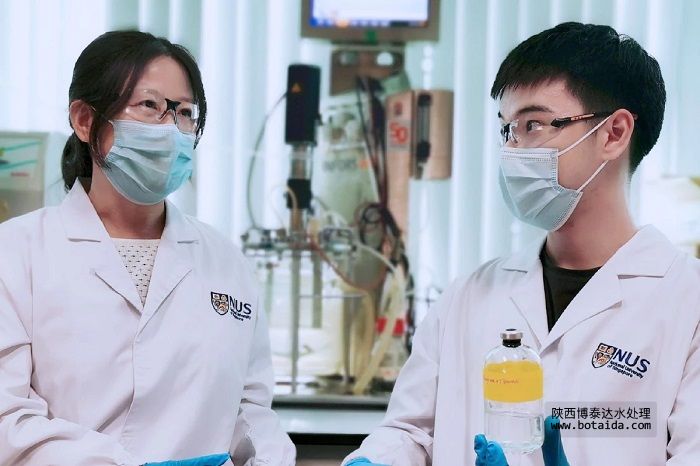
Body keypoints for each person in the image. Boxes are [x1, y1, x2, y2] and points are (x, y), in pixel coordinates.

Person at [343, 22, 700, 465]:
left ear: (614, 133)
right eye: (507, 129)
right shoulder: (468, 296)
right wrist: (377, 460)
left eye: (534, 124)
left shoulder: (687, 302)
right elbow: (412, 432)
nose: (513, 149)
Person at [0, 30, 295, 466]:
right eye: (150, 106)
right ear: (85, 120)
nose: (171, 129)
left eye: (185, 112)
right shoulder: (16, 252)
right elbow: (8, 420)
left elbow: (250, 410)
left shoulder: (223, 258)